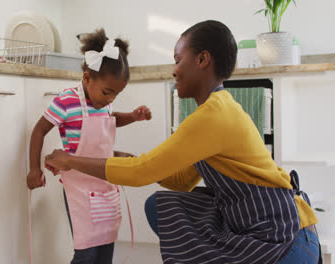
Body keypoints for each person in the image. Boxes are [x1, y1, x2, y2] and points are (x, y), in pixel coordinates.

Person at [44, 20, 321, 264]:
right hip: (267, 226)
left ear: (202, 60)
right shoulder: (215, 109)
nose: (174, 70)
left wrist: (69, 160)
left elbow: (141, 173)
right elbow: (181, 181)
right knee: (163, 207)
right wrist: (132, 161)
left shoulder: (213, 115)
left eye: (178, 59)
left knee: (167, 208)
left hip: (285, 242)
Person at [26, 28, 152, 264]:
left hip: (105, 184)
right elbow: (39, 130)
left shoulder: (103, 102)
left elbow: (112, 120)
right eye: (108, 92)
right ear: (86, 78)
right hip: (79, 190)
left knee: (105, 248)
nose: (111, 99)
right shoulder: (66, 101)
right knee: (86, 253)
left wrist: (133, 116)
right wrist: (34, 169)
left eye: (117, 94)